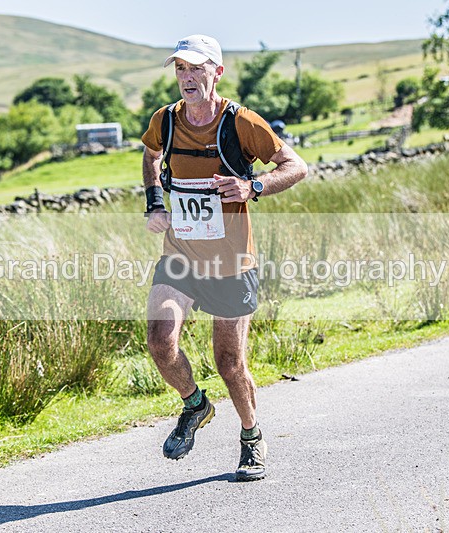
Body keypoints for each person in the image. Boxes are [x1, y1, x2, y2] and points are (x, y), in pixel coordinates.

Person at [141, 34, 308, 481]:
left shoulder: (241, 123)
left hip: (232, 263)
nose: (186, 78)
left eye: (195, 69)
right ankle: (195, 405)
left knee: (229, 363)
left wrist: (252, 187)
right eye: (179, 69)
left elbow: (296, 166)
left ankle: (252, 437)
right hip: (181, 255)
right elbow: (151, 154)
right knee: (160, 340)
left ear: (217, 71)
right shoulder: (166, 120)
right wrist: (155, 202)